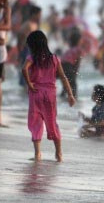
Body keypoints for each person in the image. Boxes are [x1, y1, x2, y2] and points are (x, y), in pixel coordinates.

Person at [22, 30, 75, 162]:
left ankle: (38, 154)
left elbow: (24, 69)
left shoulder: (32, 58)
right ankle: (58, 153)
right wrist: (70, 94)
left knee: (36, 123)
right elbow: (63, 77)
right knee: (52, 123)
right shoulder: (54, 59)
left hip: (36, 93)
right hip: (50, 95)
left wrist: (29, 83)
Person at [60, 29, 82, 99]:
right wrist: (75, 72)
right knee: (73, 84)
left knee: (66, 83)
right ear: (79, 41)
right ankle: (74, 98)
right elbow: (78, 62)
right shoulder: (79, 49)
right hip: (68, 66)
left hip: (61, 66)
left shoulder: (69, 50)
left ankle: (62, 96)